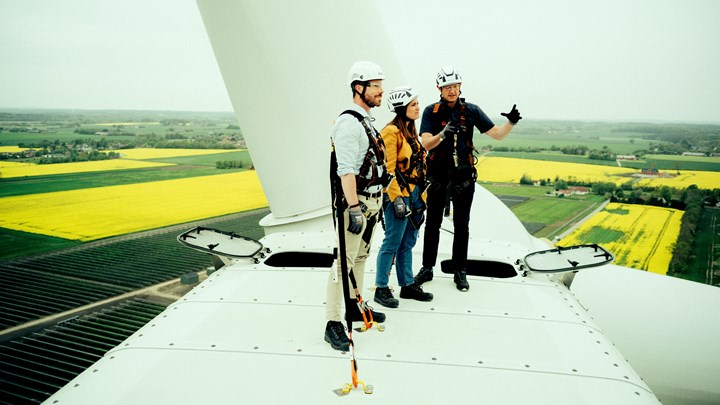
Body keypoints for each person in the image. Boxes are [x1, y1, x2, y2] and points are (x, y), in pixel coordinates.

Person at [415, 65, 521, 292]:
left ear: (460, 86)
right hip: (437, 178)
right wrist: (442, 135)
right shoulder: (431, 112)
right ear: (439, 89)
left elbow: (497, 135)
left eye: (454, 86)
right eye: (447, 87)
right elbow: (425, 143)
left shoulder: (471, 111)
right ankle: (426, 267)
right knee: (432, 224)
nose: (451, 90)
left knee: (462, 226)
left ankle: (460, 271)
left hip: (463, 178)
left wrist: (510, 123)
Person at [325, 61, 388, 351]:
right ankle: (333, 322)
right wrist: (352, 208)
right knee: (344, 261)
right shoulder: (350, 123)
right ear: (358, 88)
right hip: (358, 202)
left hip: (371, 201)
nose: (381, 91)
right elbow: (345, 170)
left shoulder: (365, 121)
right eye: (375, 86)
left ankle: (354, 306)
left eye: (380, 85)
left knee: (360, 257)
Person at [373, 86, 433, 308]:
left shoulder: (410, 132)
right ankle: (381, 287)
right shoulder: (391, 133)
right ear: (402, 109)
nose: (418, 108)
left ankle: (407, 285)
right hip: (399, 195)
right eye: (413, 105)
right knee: (392, 242)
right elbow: (387, 169)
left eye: (417, 104)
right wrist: (396, 198)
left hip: (415, 194)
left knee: (407, 242)